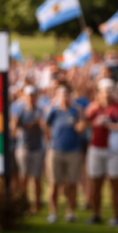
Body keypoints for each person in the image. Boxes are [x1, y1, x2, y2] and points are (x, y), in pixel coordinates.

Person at [84, 78, 118, 226]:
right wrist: (94, 122)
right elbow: (83, 124)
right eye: (104, 91)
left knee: (116, 185)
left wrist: (110, 124)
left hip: (114, 150)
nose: (106, 94)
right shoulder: (93, 107)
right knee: (95, 184)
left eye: (109, 90)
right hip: (96, 148)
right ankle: (96, 214)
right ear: (99, 93)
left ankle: (117, 217)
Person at [42, 84, 84, 223]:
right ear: (58, 96)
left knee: (72, 183)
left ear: (70, 96)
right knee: (54, 183)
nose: (64, 97)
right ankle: (53, 212)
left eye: (67, 94)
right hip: (55, 150)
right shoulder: (53, 111)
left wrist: (78, 123)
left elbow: (81, 128)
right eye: (62, 94)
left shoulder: (76, 110)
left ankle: (70, 212)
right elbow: (46, 128)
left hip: (73, 150)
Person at [10, 86, 45, 213]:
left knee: (37, 178)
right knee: (23, 178)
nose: (31, 98)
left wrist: (33, 124)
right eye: (29, 95)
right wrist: (30, 124)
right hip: (23, 148)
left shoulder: (40, 110)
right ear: (25, 97)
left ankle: (37, 205)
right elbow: (14, 129)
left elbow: (44, 126)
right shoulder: (20, 111)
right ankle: (24, 204)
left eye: (33, 95)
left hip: (37, 148)